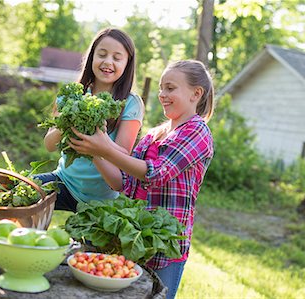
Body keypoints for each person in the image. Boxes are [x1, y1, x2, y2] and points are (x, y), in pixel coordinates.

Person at [68, 59, 215, 299]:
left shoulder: (197, 131)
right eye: (161, 88)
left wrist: (106, 149)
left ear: (195, 94)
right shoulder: (154, 135)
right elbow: (121, 182)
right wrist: (92, 150)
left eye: (170, 88)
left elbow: (155, 174)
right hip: (132, 241)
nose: (162, 94)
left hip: (165, 247)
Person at [35, 27, 144, 212]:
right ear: (92, 57)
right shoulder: (73, 94)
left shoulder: (131, 103)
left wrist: (95, 148)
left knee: (85, 242)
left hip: (102, 200)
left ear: (127, 64)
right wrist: (67, 121)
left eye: (117, 58)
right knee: (21, 194)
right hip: (63, 181)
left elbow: (122, 160)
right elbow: (49, 145)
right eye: (102, 54)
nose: (107, 62)